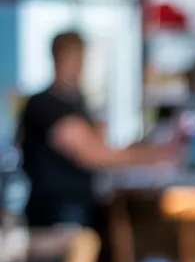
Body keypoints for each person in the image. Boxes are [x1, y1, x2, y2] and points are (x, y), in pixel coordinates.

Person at [17, 30, 175, 230]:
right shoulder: (44, 105)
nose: (79, 65)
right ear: (58, 57)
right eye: (73, 57)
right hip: (57, 209)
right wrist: (151, 156)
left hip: (83, 203)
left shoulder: (78, 103)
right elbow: (94, 155)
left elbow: (101, 146)